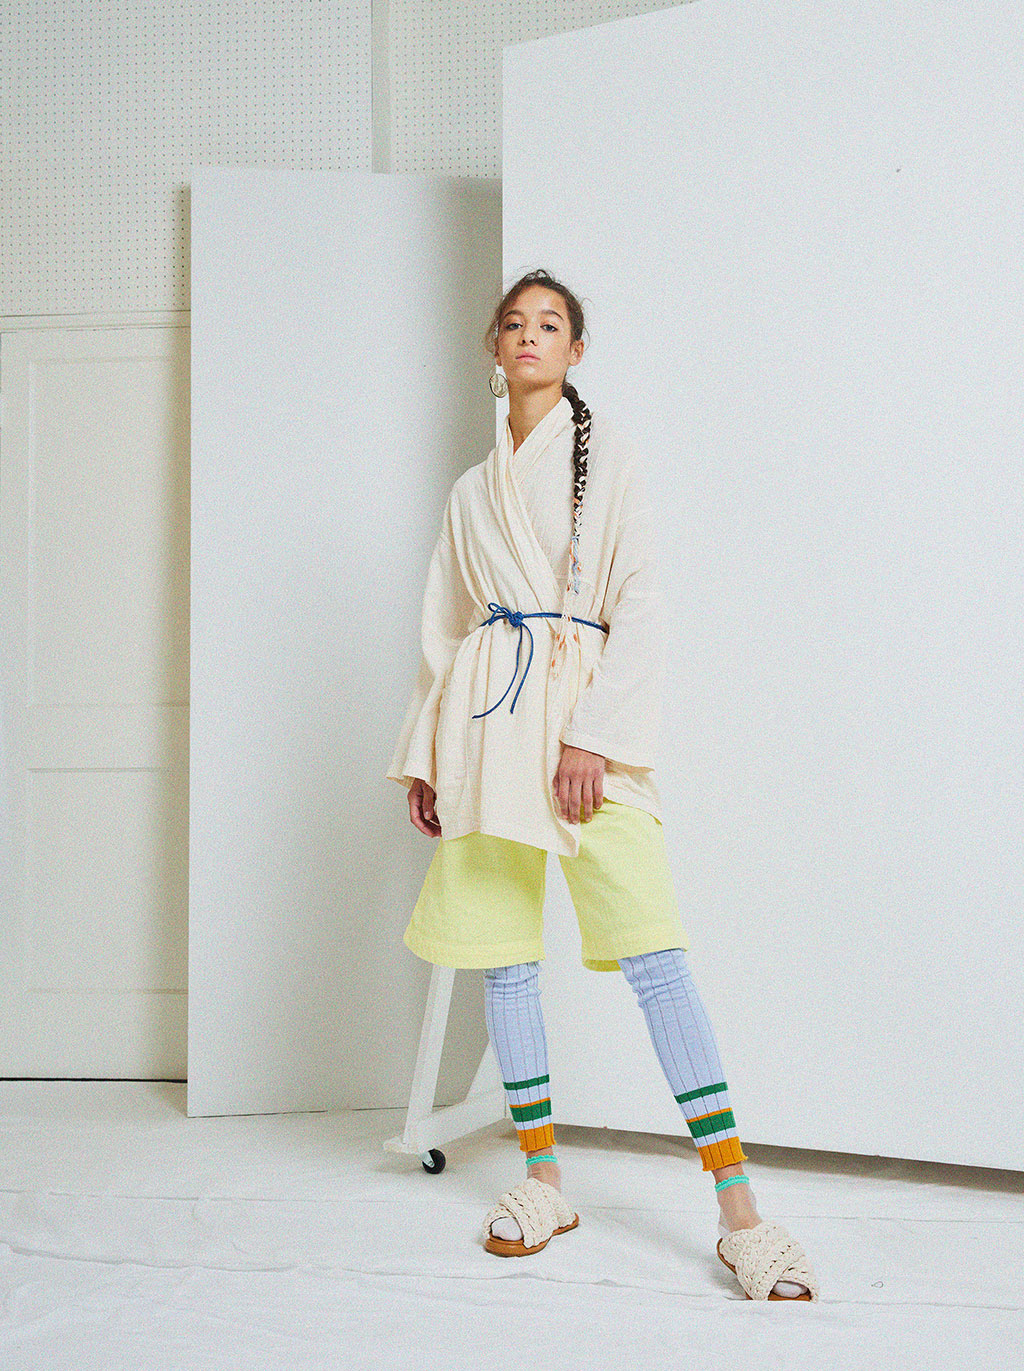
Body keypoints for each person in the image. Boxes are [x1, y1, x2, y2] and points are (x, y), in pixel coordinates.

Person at [386, 269, 819, 1301]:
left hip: (583, 721)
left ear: (575, 350)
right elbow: (444, 631)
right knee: (504, 960)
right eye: (513, 323)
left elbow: (642, 603)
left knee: (654, 954)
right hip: (486, 729)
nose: (529, 336)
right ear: (494, 349)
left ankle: (739, 1210)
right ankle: (544, 1180)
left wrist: (593, 735)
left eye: (550, 324)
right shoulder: (468, 491)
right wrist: (426, 754)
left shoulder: (609, 458)